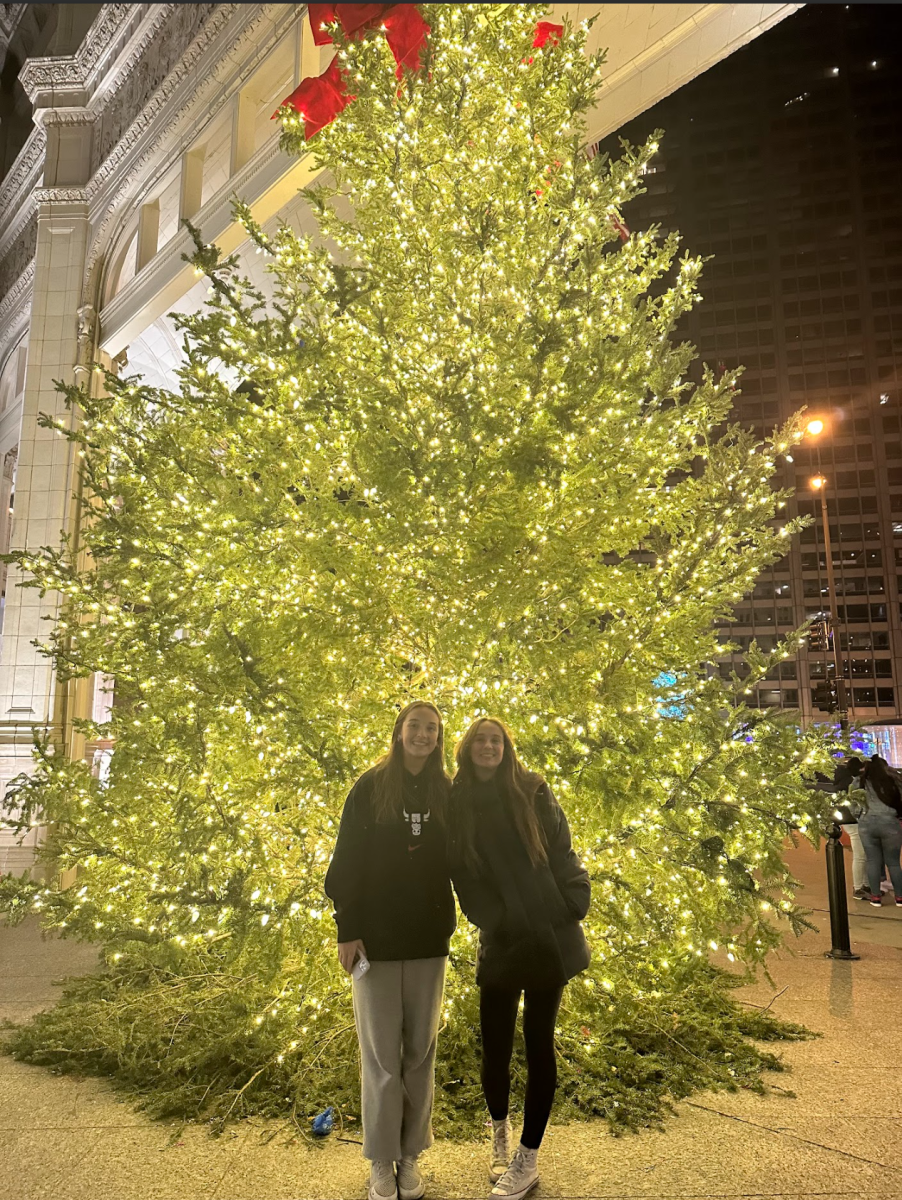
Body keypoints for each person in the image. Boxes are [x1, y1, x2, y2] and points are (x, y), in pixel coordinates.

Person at [448, 717, 591, 1200]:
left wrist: (574, 899)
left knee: (539, 1045)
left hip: (550, 935)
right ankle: (500, 1135)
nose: (489, 747)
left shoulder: (532, 790)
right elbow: (462, 877)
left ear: (506, 748)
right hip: (504, 940)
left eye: (497, 740)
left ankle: (527, 1158)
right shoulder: (457, 802)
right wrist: (496, 918)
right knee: (495, 1049)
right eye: (480, 740)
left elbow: (562, 851)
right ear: (467, 750)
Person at [324, 702, 456, 1200]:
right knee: (381, 1058)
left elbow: (466, 858)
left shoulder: (447, 792)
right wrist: (347, 929)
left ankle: (411, 1156)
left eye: (432, 729)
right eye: (415, 726)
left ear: (439, 738)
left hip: (428, 942)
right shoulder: (371, 787)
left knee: (420, 1053)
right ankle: (381, 1159)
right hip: (374, 943)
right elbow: (346, 862)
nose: (423, 735)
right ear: (399, 731)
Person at [855, 755, 902, 908]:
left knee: (872, 861)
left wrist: (859, 815)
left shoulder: (860, 782)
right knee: (894, 863)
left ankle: (875, 897)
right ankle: (899, 898)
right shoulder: (894, 780)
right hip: (890, 823)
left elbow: (851, 801)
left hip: (867, 824)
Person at [835, 756, 869, 899]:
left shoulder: (840, 780)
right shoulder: (853, 782)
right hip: (854, 821)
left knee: (863, 855)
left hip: (847, 820)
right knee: (860, 855)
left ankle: (865, 884)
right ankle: (858, 887)